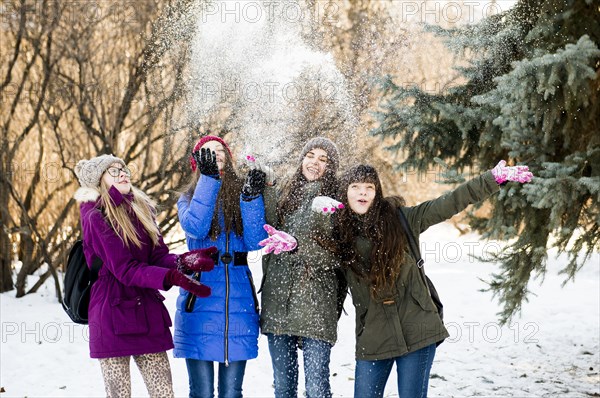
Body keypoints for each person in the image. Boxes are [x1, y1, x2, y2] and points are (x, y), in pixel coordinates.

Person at [332, 162, 533, 398]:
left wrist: (491, 179)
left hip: (418, 329)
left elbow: (449, 203)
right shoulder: (338, 235)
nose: (362, 192)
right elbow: (329, 283)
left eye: (369, 186)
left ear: (377, 193)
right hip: (373, 335)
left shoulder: (403, 220)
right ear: (345, 192)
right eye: (355, 186)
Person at [74, 154, 215, 398]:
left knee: (164, 393)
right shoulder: (95, 216)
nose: (122, 173)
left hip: (146, 312)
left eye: (123, 169)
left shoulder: (142, 209)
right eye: (113, 171)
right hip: (111, 315)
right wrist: (171, 277)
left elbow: (158, 256)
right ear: (99, 181)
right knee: (120, 395)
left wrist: (182, 262)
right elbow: (125, 269)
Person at [174, 135, 268, 398]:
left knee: (231, 393)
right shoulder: (188, 197)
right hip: (200, 299)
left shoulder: (241, 193)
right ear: (198, 162)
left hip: (239, 303)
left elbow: (255, 241)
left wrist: (250, 199)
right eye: (208, 151)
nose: (216, 153)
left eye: (221, 149)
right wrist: (209, 180)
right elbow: (197, 227)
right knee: (202, 392)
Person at [259, 136, 345, 398]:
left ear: (331, 167)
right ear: (302, 159)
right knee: (284, 388)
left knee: (317, 388)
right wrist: (268, 186)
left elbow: (338, 258)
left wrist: (298, 246)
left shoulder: (337, 201)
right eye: (310, 156)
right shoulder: (286, 191)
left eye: (323, 159)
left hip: (316, 304)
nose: (315, 163)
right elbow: (267, 228)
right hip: (278, 303)